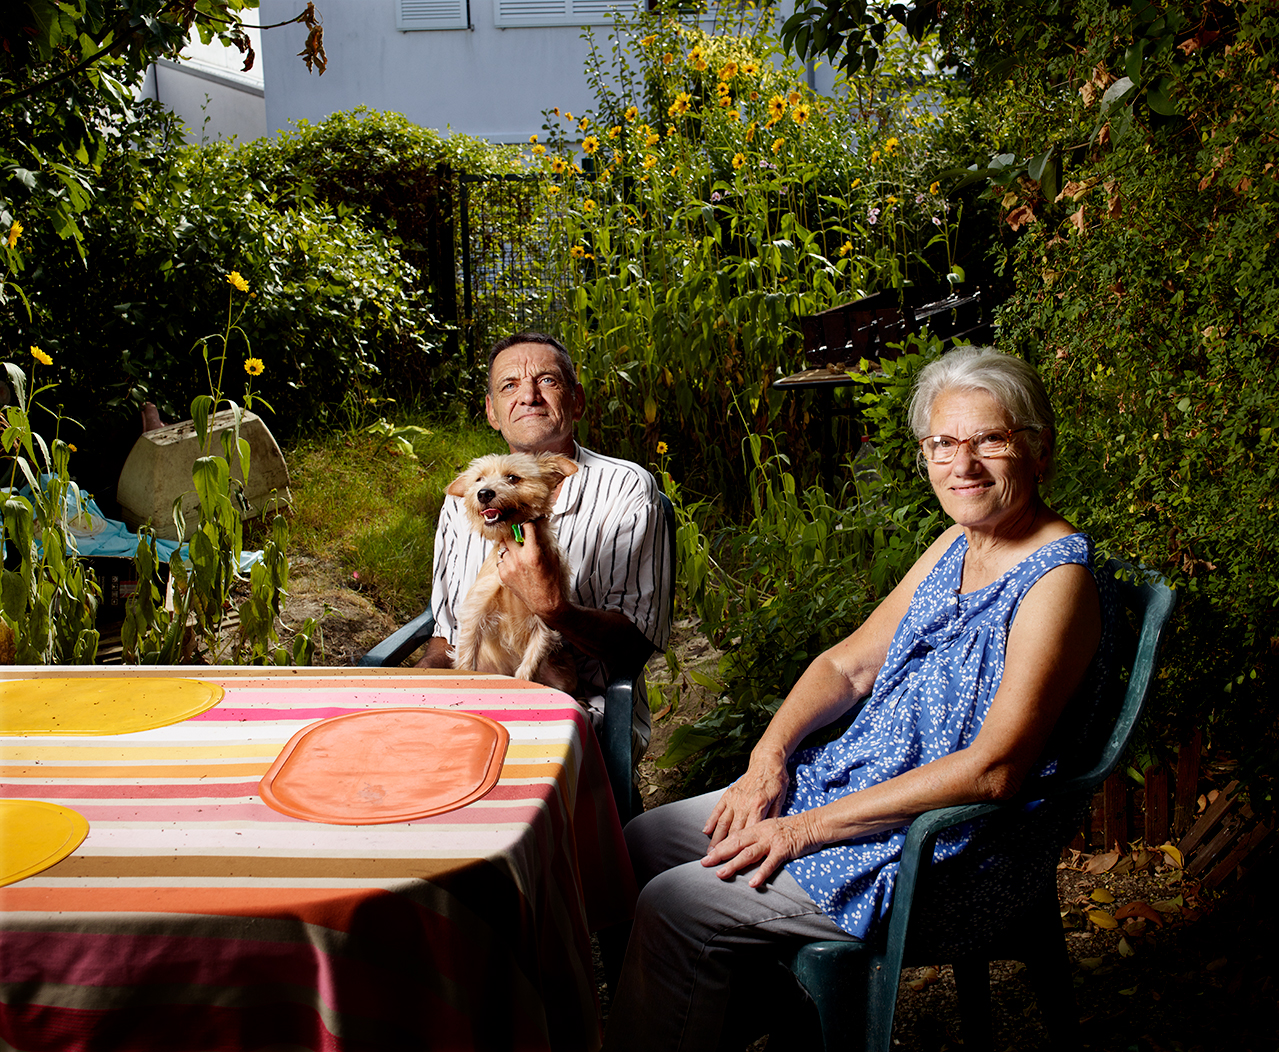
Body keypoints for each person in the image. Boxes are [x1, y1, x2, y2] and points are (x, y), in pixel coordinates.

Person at [603, 346, 1118, 1052]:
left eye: (989, 440)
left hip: (941, 844)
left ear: (1037, 450)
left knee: (675, 902)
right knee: (641, 842)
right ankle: (753, 1012)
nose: (962, 465)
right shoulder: (956, 545)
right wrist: (767, 757)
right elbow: (846, 666)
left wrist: (803, 829)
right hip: (859, 789)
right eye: (942, 443)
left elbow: (995, 769)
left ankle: (713, 1002)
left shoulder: (1055, 583)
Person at [418, 332, 673, 757]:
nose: (529, 396)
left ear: (577, 401)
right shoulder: (468, 496)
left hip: (576, 705)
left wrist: (554, 607)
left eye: (548, 382)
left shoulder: (626, 489)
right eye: (509, 386)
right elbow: (446, 632)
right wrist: (424, 686)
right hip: (474, 694)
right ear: (492, 413)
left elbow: (636, 645)